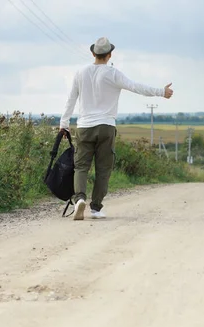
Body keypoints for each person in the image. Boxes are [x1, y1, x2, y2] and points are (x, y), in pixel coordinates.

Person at [59, 37, 173, 221]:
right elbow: (136, 87)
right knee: (104, 168)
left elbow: (70, 100)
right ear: (109, 54)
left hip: (84, 127)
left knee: (81, 166)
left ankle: (80, 198)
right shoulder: (113, 74)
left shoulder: (80, 73)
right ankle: (95, 208)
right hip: (106, 126)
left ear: (93, 53)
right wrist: (161, 92)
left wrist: (64, 124)